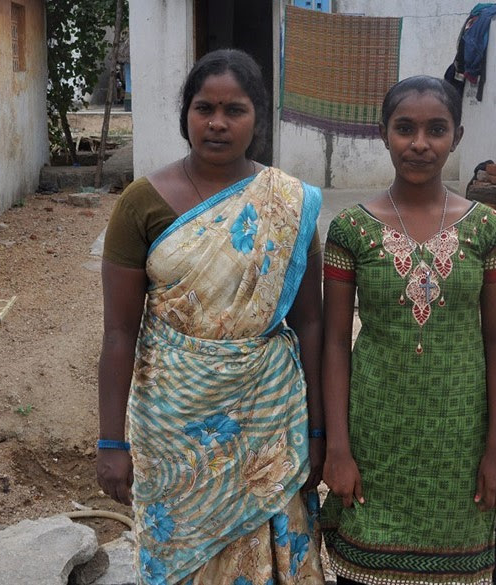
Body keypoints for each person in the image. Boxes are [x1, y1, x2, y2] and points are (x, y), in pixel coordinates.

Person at [96, 48, 326, 585]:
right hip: (172, 425)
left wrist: (317, 430)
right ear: (186, 115)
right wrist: (111, 442)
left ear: (258, 119)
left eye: (235, 110)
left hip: (267, 418)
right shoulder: (141, 202)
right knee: (180, 557)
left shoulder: (288, 203)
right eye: (204, 108)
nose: (218, 123)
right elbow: (118, 332)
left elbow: (312, 323)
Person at [320, 75, 496, 585]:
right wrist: (338, 449)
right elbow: (336, 343)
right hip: (376, 439)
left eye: (436, 129)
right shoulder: (351, 230)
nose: (420, 143)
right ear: (382, 133)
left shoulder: (487, 229)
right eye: (405, 128)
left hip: (461, 441)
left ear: (458, 136)